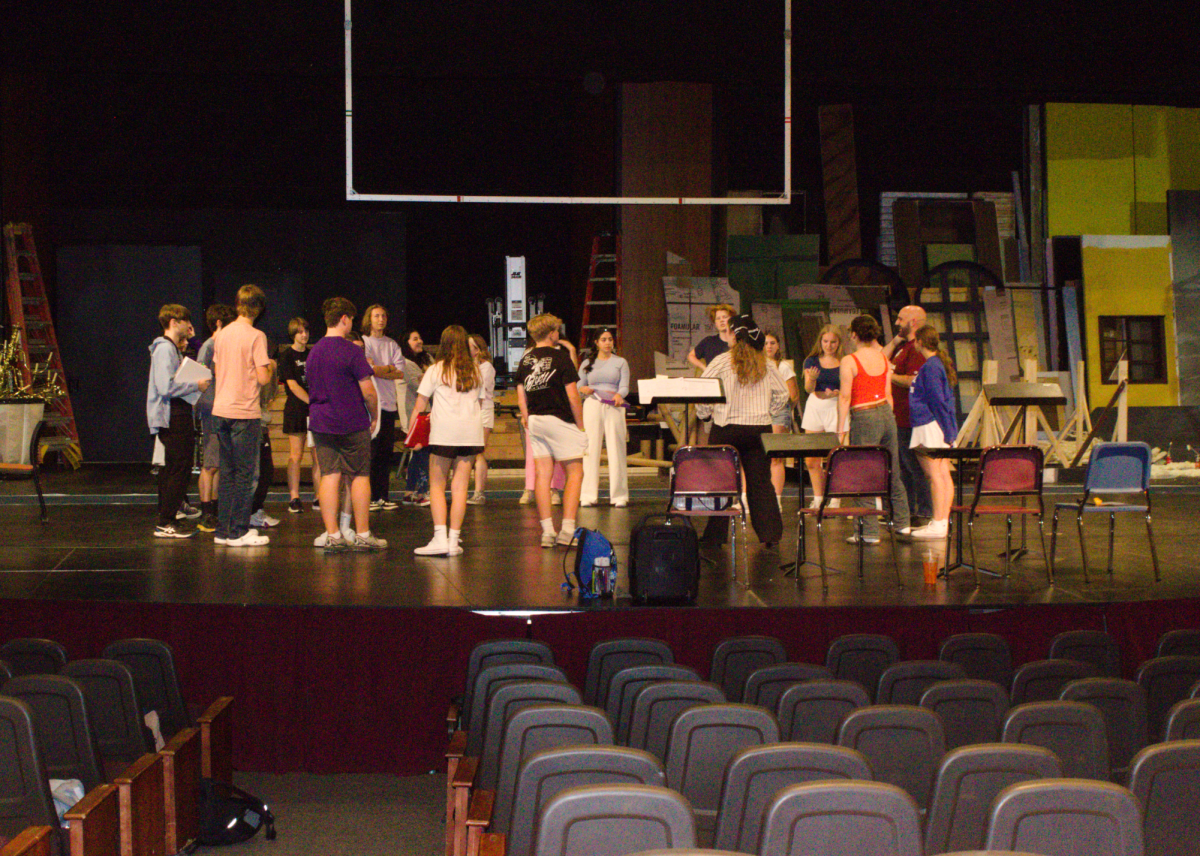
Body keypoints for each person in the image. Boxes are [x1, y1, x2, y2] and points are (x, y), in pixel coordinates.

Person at [695, 315, 789, 547]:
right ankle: (770, 536)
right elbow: (783, 394)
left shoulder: (720, 361)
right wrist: (768, 410)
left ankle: (715, 537)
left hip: (726, 428)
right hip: (758, 428)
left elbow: (703, 391)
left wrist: (704, 413)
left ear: (735, 337)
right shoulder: (766, 363)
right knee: (760, 482)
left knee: (722, 483)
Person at [306, 297, 386, 552]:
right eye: (351, 319)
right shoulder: (352, 351)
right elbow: (368, 392)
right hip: (351, 422)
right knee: (359, 476)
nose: (351, 323)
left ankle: (333, 535)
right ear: (344, 319)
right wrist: (374, 415)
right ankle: (362, 534)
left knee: (329, 475)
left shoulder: (314, 351)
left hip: (321, 422)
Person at [837, 314, 912, 545]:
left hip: (864, 415)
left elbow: (845, 396)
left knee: (864, 472)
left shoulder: (850, 360)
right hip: (886, 415)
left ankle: (868, 532)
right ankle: (903, 525)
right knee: (892, 470)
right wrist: (888, 419)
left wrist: (841, 429)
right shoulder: (882, 358)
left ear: (853, 334)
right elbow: (888, 394)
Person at [516, 313, 589, 547]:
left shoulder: (525, 359)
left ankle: (547, 532)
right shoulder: (560, 357)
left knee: (543, 475)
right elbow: (573, 395)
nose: (559, 334)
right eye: (557, 330)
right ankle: (567, 530)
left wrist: (527, 418)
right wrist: (580, 425)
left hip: (536, 420)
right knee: (575, 472)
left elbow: (521, 393)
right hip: (559, 419)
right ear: (551, 334)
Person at [413, 325, 486, 556]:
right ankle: (454, 541)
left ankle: (439, 538)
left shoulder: (436, 370)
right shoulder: (476, 370)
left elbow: (420, 405)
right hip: (471, 433)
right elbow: (481, 404)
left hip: (445, 433)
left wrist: (413, 433)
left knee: (437, 484)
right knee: (461, 487)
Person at [211, 285, 274, 547]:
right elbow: (263, 377)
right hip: (244, 412)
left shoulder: (222, 334)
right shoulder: (256, 336)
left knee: (227, 473)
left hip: (221, 409)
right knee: (245, 474)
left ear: (237, 305)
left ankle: (222, 531)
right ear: (258, 308)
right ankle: (238, 531)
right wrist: (269, 366)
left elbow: (217, 369)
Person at [146, 304, 209, 538]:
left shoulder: (170, 348)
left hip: (176, 413)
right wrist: (196, 385)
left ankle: (167, 518)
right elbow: (165, 386)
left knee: (174, 468)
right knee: (178, 468)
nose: (188, 327)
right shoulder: (164, 349)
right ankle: (166, 520)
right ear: (174, 322)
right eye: (185, 322)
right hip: (172, 415)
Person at [882, 304, 933, 524]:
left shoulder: (917, 349)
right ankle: (910, 511)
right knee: (904, 467)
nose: (896, 323)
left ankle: (924, 510)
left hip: (911, 418)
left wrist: (890, 377)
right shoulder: (903, 346)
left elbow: (915, 380)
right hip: (900, 416)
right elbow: (881, 359)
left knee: (915, 467)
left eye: (900, 319)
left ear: (913, 322)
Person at [908, 325, 959, 540]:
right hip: (932, 424)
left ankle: (939, 523)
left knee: (936, 475)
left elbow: (938, 400)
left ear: (920, 342)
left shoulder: (930, 366)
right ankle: (941, 521)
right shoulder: (935, 364)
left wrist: (949, 432)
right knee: (942, 474)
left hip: (930, 424)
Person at [578, 328, 631, 508]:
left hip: (613, 405)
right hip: (593, 404)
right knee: (590, 448)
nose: (607, 342)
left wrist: (619, 395)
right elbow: (579, 383)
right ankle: (588, 494)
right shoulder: (587, 362)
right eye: (603, 339)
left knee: (616, 447)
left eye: (610, 339)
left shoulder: (620, 362)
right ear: (596, 342)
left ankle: (619, 495)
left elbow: (624, 386)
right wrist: (583, 389)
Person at [195, 303, 235, 531]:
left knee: (218, 463)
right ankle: (206, 511)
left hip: (222, 407)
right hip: (211, 408)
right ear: (219, 323)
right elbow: (199, 376)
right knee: (210, 463)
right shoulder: (209, 346)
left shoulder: (222, 345)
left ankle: (216, 508)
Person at [362, 305, 406, 510]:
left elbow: (400, 373)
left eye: (383, 316)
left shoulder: (392, 344)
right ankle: (369, 497)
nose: (381, 319)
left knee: (385, 453)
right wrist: (387, 368)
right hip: (371, 405)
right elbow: (368, 369)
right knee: (371, 452)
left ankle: (383, 496)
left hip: (389, 405)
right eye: (376, 316)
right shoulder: (364, 342)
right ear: (369, 319)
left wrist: (382, 369)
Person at [278, 316, 321, 513]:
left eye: (306, 331)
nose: (304, 335)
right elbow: (293, 385)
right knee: (296, 455)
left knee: (317, 456)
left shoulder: (313, 354)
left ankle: (319, 496)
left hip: (315, 410)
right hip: (297, 408)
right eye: (300, 332)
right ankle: (294, 497)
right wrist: (311, 402)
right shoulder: (286, 356)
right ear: (293, 334)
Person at [800, 324, 846, 509]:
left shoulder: (844, 361)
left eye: (833, 342)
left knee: (835, 455)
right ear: (820, 342)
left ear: (839, 343)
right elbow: (808, 389)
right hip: (816, 406)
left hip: (836, 407)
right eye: (825, 341)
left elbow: (850, 387)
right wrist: (811, 378)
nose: (829, 345)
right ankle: (818, 497)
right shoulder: (811, 361)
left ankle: (835, 498)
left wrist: (837, 393)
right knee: (812, 458)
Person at [687, 303, 737, 445]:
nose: (721, 320)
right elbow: (691, 356)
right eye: (718, 318)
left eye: (725, 317)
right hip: (714, 389)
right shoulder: (709, 342)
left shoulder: (737, 342)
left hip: (734, 390)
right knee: (710, 428)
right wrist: (705, 368)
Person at [763, 331, 800, 507]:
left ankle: (776, 500)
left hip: (778, 413)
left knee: (775, 457)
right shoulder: (758, 365)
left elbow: (793, 395)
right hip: (759, 413)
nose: (769, 346)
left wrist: (782, 409)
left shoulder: (783, 367)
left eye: (772, 343)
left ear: (778, 346)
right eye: (765, 343)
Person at [400, 335, 431, 506]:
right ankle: (421, 492)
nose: (419, 341)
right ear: (406, 343)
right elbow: (422, 386)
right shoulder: (407, 363)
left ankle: (410, 491)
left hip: (428, 413)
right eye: (414, 339)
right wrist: (429, 374)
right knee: (422, 452)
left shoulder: (427, 359)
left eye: (420, 338)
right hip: (417, 414)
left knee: (418, 453)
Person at [467, 334, 496, 505]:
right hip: (471, 411)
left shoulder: (486, 367)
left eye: (471, 346)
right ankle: (475, 491)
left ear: (477, 349)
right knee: (473, 452)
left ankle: (479, 493)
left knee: (478, 452)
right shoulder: (470, 366)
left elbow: (479, 389)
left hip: (483, 410)